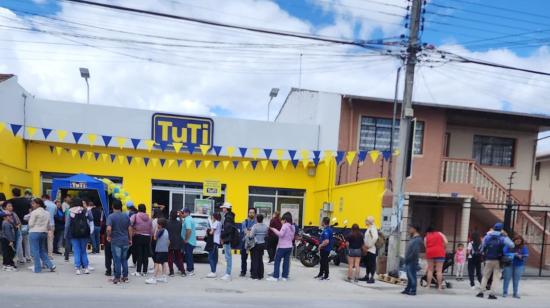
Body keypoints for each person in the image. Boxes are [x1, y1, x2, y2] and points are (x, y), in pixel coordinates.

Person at [476, 222, 514, 300]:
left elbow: (481, 247)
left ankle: (481, 292)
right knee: (496, 277)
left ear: (494, 227)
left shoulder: (487, 236)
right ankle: (492, 294)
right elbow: (512, 245)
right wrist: (506, 235)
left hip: (488, 259)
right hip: (498, 260)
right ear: (501, 229)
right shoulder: (502, 237)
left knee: (485, 276)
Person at [106, 199, 132, 284]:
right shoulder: (126, 216)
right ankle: (125, 277)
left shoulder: (111, 216)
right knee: (124, 259)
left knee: (117, 260)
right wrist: (130, 239)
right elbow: (129, 228)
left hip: (116, 241)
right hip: (125, 241)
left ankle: (117, 277)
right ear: (121, 207)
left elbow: (109, 228)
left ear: (113, 206)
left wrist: (109, 236)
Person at [66, 198, 93, 275]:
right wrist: (86, 209)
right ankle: (86, 268)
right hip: (84, 234)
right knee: (83, 251)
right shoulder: (85, 210)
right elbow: (91, 219)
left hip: (74, 234)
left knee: (76, 251)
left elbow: (67, 225)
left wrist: (66, 234)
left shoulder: (70, 211)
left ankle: (77, 268)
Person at [28, 198, 56, 273]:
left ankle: (37, 268)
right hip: (44, 232)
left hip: (34, 232)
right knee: (42, 250)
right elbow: (48, 224)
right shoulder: (47, 213)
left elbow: (30, 224)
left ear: (38, 204)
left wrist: (28, 219)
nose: (32, 205)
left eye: (33, 203)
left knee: (35, 251)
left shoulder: (34, 212)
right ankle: (50, 265)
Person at [267, 212, 295, 282]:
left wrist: (273, 229)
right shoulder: (292, 227)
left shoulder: (285, 225)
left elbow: (280, 234)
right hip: (289, 247)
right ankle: (284, 276)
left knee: (277, 261)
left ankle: (275, 276)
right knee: (286, 262)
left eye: (282, 220)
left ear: (285, 220)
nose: (281, 222)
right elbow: (292, 238)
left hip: (282, 247)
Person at [9, 187, 31, 264]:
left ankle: (21, 259)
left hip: (17, 224)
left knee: (19, 241)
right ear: (20, 193)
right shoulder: (26, 200)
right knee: (27, 241)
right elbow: (30, 211)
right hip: (26, 223)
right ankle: (28, 257)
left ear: (12, 193)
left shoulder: (11, 201)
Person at [130, 204, 152, 277]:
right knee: (145, 255)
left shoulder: (135, 216)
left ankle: (138, 271)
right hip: (147, 237)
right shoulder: (149, 218)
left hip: (138, 237)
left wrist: (133, 231)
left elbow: (129, 224)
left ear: (138, 209)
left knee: (139, 254)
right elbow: (151, 229)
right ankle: (145, 271)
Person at [146, 218, 170, 284]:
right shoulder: (166, 230)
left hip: (160, 250)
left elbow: (155, 237)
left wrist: (156, 229)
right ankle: (164, 277)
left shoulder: (161, 230)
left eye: (157, 224)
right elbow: (168, 241)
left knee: (157, 263)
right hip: (165, 250)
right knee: (164, 263)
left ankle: (154, 278)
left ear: (160, 225)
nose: (157, 225)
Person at [402, 224, 423, 296]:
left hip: (412, 260)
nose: (409, 230)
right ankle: (408, 289)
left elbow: (415, 251)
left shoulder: (417, 239)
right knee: (409, 275)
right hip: (409, 260)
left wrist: (410, 258)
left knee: (412, 275)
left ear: (415, 229)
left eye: (410, 228)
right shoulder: (413, 238)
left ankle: (413, 290)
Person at [359, 216, 379, 283]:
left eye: (366, 220)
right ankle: (367, 276)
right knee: (367, 264)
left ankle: (372, 278)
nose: (365, 221)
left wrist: (369, 246)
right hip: (367, 249)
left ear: (369, 221)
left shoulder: (373, 228)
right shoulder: (369, 228)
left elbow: (375, 238)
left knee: (372, 264)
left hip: (371, 250)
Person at [220, 202, 237, 281]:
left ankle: (228, 274)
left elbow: (227, 229)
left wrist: (222, 236)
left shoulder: (228, 217)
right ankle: (228, 273)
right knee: (228, 256)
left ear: (226, 209)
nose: (222, 209)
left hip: (228, 239)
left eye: (223, 208)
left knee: (228, 257)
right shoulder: (229, 216)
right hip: (229, 239)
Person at [166, 209, 185, 277]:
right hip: (178, 241)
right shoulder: (179, 223)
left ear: (170, 214)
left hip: (170, 241)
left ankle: (171, 272)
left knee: (170, 257)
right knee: (179, 257)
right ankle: (183, 271)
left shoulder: (167, 222)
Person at [250, 213, 268, 280]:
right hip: (262, 244)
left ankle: (255, 275)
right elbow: (266, 234)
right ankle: (261, 275)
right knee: (260, 259)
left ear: (257, 219)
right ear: (262, 219)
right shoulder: (265, 226)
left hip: (256, 244)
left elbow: (251, 236)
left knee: (255, 259)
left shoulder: (255, 226)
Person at [239, 208, 256, 277]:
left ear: (255, 214)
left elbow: (252, 232)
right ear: (248, 213)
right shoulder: (244, 222)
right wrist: (251, 231)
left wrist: (249, 231)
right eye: (250, 212)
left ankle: (252, 272)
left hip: (254, 242)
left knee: (253, 258)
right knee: (243, 258)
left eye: (252, 212)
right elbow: (246, 232)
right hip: (245, 242)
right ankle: (243, 272)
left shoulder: (256, 223)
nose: (251, 214)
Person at [315, 216, 333, 281]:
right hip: (324, 249)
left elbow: (326, 241)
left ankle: (326, 276)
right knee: (322, 261)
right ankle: (320, 274)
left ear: (323, 222)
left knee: (325, 262)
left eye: (322, 221)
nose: (321, 222)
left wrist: (320, 246)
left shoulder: (327, 230)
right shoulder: (327, 229)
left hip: (325, 249)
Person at [181, 208, 196, 276]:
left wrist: (186, 239)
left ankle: (190, 270)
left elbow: (189, 230)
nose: (182, 214)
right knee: (189, 255)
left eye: (183, 212)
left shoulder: (187, 219)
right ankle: (190, 269)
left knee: (188, 256)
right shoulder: (189, 219)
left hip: (189, 241)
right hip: (191, 241)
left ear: (187, 213)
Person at [206, 212, 222, 278]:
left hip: (213, 241)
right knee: (215, 257)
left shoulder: (215, 223)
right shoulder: (220, 223)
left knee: (210, 257)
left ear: (214, 217)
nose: (212, 217)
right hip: (217, 241)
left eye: (212, 216)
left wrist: (208, 231)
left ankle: (213, 272)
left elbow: (212, 232)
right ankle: (214, 271)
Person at [42, 194, 56, 258]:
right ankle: (50, 255)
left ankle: (43, 254)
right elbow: (54, 214)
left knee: (42, 240)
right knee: (50, 240)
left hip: (43, 224)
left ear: (44, 198)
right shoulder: (54, 205)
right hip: (52, 224)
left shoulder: (43, 204)